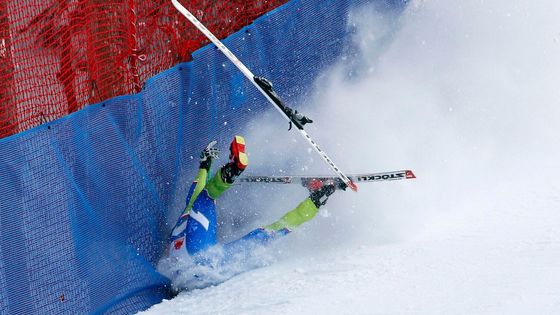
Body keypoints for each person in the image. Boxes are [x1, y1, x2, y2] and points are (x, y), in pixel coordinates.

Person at [163, 136, 342, 288]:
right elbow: (197, 191)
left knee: (270, 232)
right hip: (198, 255)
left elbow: (198, 189)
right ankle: (233, 169)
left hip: (209, 271)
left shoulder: (178, 246)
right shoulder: (185, 220)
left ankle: (317, 199)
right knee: (205, 198)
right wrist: (205, 165)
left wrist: (205, 166)